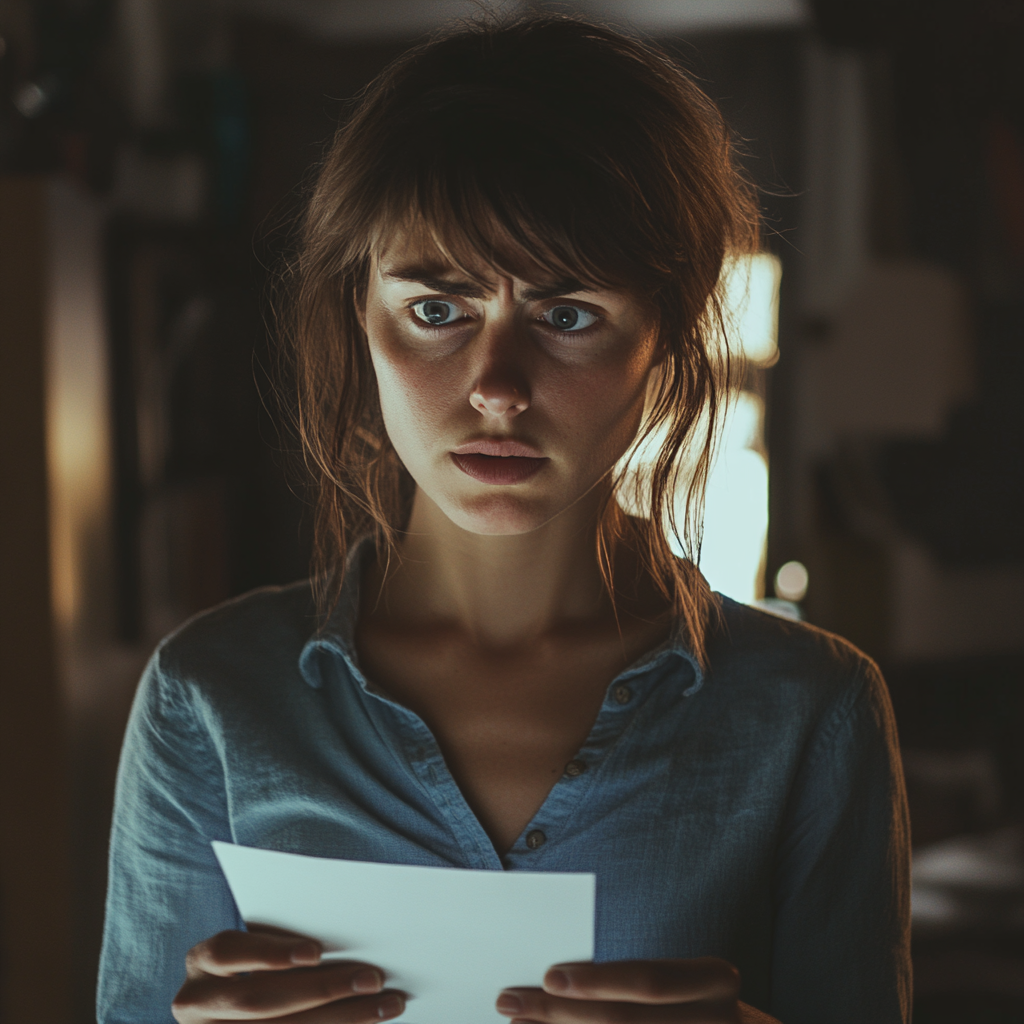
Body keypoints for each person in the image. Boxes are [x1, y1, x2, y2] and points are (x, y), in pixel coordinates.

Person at [98, 12, 911, 1024]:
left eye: (566, 316)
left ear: (667, 331)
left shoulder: (807, 712)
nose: (495, 387)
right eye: (436, 309)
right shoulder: (209, 698)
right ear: (362, 313)